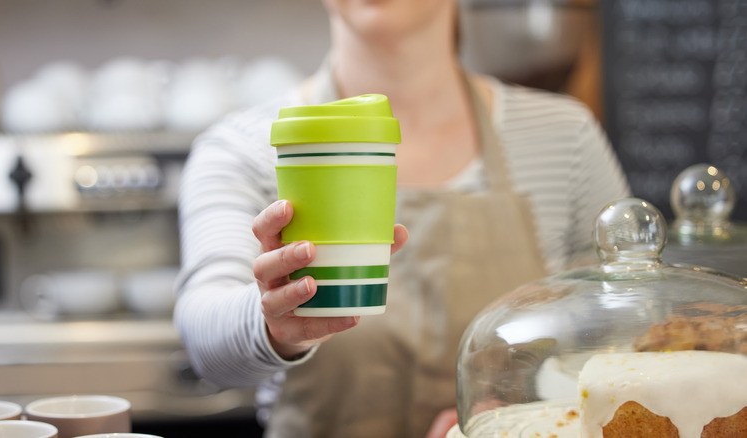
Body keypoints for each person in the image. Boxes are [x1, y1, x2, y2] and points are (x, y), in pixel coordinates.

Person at [174, 0, 631, 437]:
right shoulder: (245, 148)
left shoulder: (565, 138)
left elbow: (624, 334)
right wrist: (271, 323)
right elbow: (205, 341)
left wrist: (522, 410)